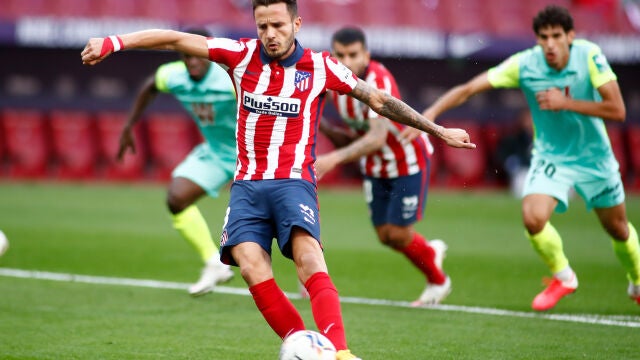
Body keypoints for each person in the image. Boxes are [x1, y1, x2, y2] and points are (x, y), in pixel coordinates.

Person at [81, 1, 475, 358]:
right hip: (248, 186)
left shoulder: (321, 67)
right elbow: (176, 39)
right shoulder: (239, 55)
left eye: (278, 25)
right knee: (250, 265)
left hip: (293, 183)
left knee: (307, 258)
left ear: (296, 24)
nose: (270, 34)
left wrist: (437, 131)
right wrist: (114, 42)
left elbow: (379, 100)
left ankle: (339, 352)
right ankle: (304, 346)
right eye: (263, 25)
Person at [421, 5, 640, 311]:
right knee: (533, 218)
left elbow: (617, 110)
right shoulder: (525, 64)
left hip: (595, 158)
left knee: (617, 228)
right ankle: (564, 276)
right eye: (543, 37)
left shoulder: (589, 55)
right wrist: (431, 113)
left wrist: (566, 102)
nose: (550, 43)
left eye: (556, 36)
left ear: (570, 36)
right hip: (551, 156)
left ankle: (637, 279)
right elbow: (470, 88)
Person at [316, 27, 450, 307]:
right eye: (340, 54)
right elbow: (349, 136)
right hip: (375, 167)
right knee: (385, 236)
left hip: (406, 162)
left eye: (353, 54)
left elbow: (377, 138)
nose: (347, 61)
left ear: (366, 54)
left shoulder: (379, 81)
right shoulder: (334, 82)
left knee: (398, 233)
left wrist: (333, 159)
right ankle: (428, 250)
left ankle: (438, 281)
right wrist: (321, 124)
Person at [118, 27, 235, 297]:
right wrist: (129, 125)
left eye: (197, 55)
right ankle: (213, 262)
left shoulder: (228, 78)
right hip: (217, 152)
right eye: (186, 56)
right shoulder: (174, 75)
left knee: (264, 220)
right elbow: (150, 86)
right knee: (176, 199)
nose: (192, 62)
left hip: (251, 152)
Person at [494, 108, 533, 197]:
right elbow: (502, 156)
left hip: (542, 171)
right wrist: (511, 163)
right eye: (528, 119)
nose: (530, 122)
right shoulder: (514, 138)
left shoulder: (545, 139)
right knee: (522, 186)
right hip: (523, 172)